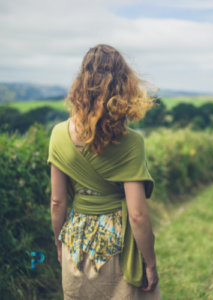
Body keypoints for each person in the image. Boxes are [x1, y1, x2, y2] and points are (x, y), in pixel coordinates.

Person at [47, 44, 161, 299]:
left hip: (74, 245)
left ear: (81, 84)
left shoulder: (57, 135)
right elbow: (138, 215)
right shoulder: (131, 142)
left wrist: (59, 243)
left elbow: (57, 202)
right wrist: (150, 263)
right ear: (125, 87)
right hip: (118, 246)